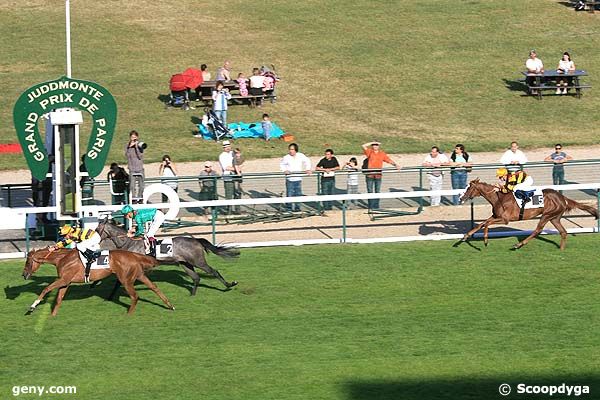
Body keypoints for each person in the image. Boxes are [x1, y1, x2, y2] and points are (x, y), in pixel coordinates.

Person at [361, 141, 400, 209]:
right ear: (372, 146)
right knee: (370, 191)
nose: (375, 146)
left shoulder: (382, 153)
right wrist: (372, 142)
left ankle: (376, 206)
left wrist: (395, 164)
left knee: (377, 191)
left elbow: (388, 160)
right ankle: (370, 206)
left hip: (378, 174)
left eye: (376, 145)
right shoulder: (370, 152)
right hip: (370, 174)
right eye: (374, 145)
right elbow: (363, 146)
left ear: (378, 146)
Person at [280, 143, 312, 212]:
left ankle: (297, 208)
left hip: (298, 178)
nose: (291, 151)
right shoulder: (286, 157)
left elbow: (307, 161)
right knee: (289, 194)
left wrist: (308, 169)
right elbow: (282, 164)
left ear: (295, 150)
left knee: (298, 194)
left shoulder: (300, 155)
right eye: (290, 149)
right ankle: (289, 208)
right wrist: (285, 170)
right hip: (290, 179)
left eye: (292, 149)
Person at [125, 130, 145, 203]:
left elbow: (140, 156)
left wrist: (136, 147)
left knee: (141, 185)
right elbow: (127, 155)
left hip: (140, 168)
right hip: (132, 168)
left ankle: (140, 198)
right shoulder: (127, 146)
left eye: (135, 137)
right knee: (132, 186)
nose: (134, 138)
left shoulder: (140, 145)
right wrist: (130, 147)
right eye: (132, 137)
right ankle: (133, 199)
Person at [219, 140, 239, 214]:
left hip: (236, 175)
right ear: (223, 148)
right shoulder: (222, 156)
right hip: (228, 176)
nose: (228, 148)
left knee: (237, 193)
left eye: (229, 146)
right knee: (229, 194)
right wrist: (236, 169)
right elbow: (225, 167)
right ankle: (229, 211)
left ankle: (238, 210)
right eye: (226, 147)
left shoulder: (233, 153)